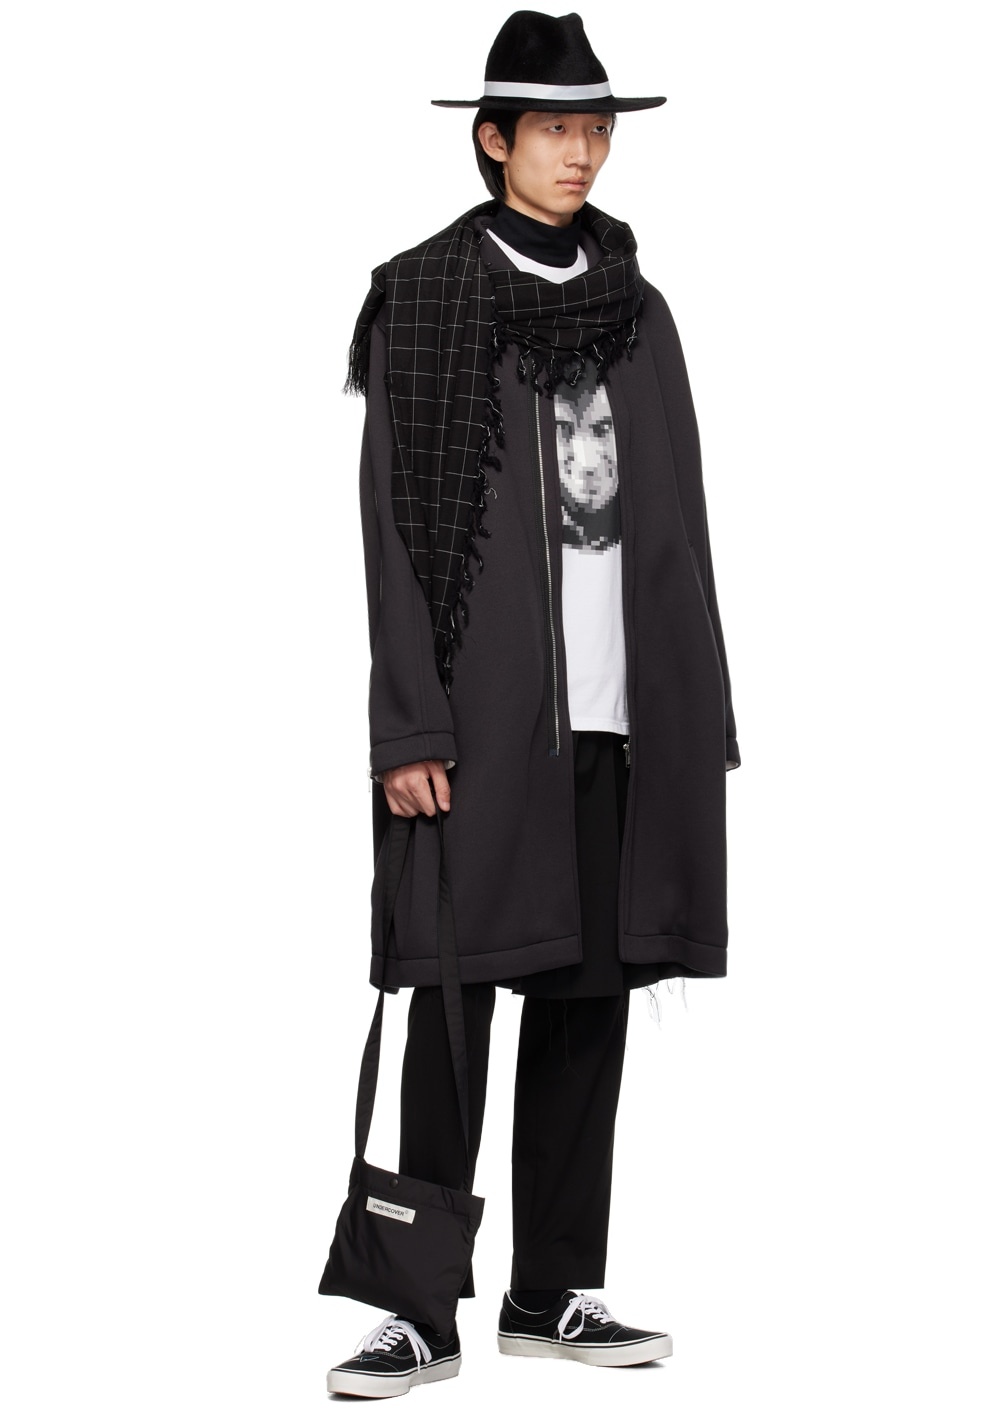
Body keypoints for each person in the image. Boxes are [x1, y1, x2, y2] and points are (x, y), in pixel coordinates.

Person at [324, 10, 742, 1398]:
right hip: (478, 719)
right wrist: (408, 727)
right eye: (556, 129)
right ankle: (414, 1310)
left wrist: (701, 709)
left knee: (588, 999)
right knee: (450, 1003)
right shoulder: (426, 300)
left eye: (596, 129)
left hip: (624, 716)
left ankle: (551, 1290)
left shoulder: (639, 307)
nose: (582, 153)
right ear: (494, 138)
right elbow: (392, 529)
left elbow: (683, 524)